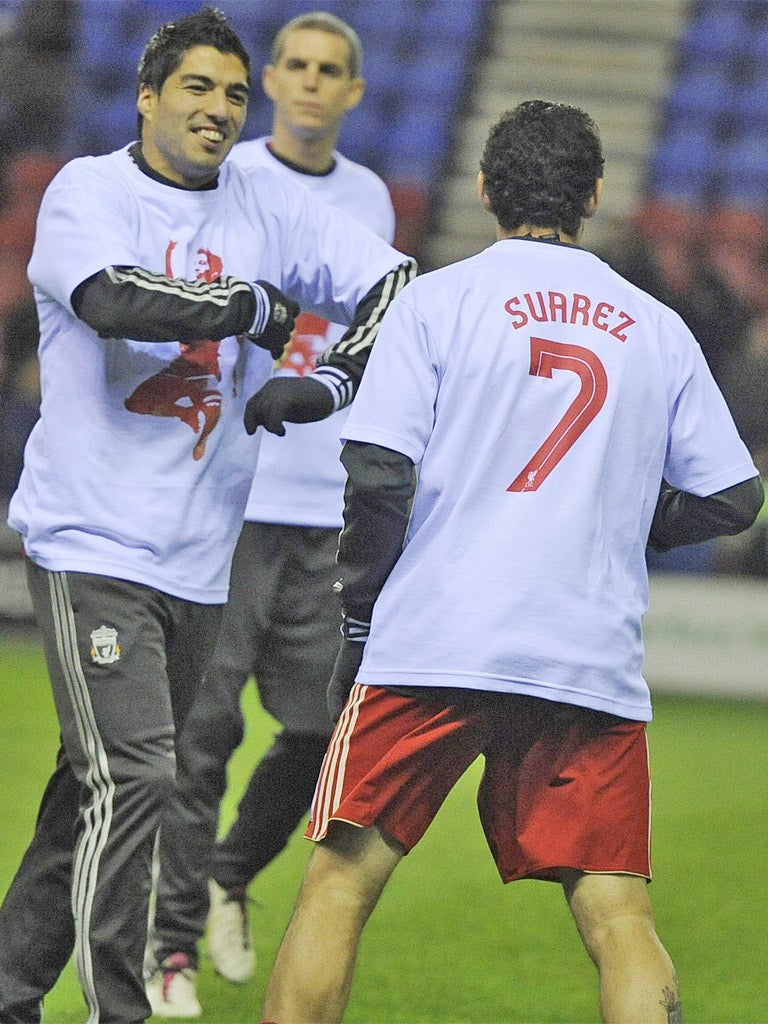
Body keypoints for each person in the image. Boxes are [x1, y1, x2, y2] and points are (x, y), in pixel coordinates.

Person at [260, 100, 764, 1024]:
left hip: (435, 642)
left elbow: (376, 473)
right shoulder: (654, 325)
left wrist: (362, 621)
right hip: (585, 656)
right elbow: (736, 497)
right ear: (597, 196)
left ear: (486, 188)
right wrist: (625, 523)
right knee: (618, 914)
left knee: (338, 889)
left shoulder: (437, 302)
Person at [0, 7, 415, 1023]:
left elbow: (396, 285)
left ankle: (8, 990)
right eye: (197, 87)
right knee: (139, 773)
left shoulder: (270, 209)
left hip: (199, 562)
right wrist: (255, 309)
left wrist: (324, 386)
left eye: (233, 93)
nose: (219, 109)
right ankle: (122, 1008)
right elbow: (111, 299)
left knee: (90, 787)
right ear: (147, 96)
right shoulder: (88, 192)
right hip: (90, 540)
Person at [144, 11, 396, 1017]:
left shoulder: (369, 199)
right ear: (273, 80)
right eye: (291, 65)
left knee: (321, 724)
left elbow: (382, 328)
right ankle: (169, 949)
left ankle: (229, 872)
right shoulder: (233, 179)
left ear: (353, 93)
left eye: (329, 70)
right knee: (201, 729)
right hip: (237, 495)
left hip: (327, 503)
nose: (307, 83)